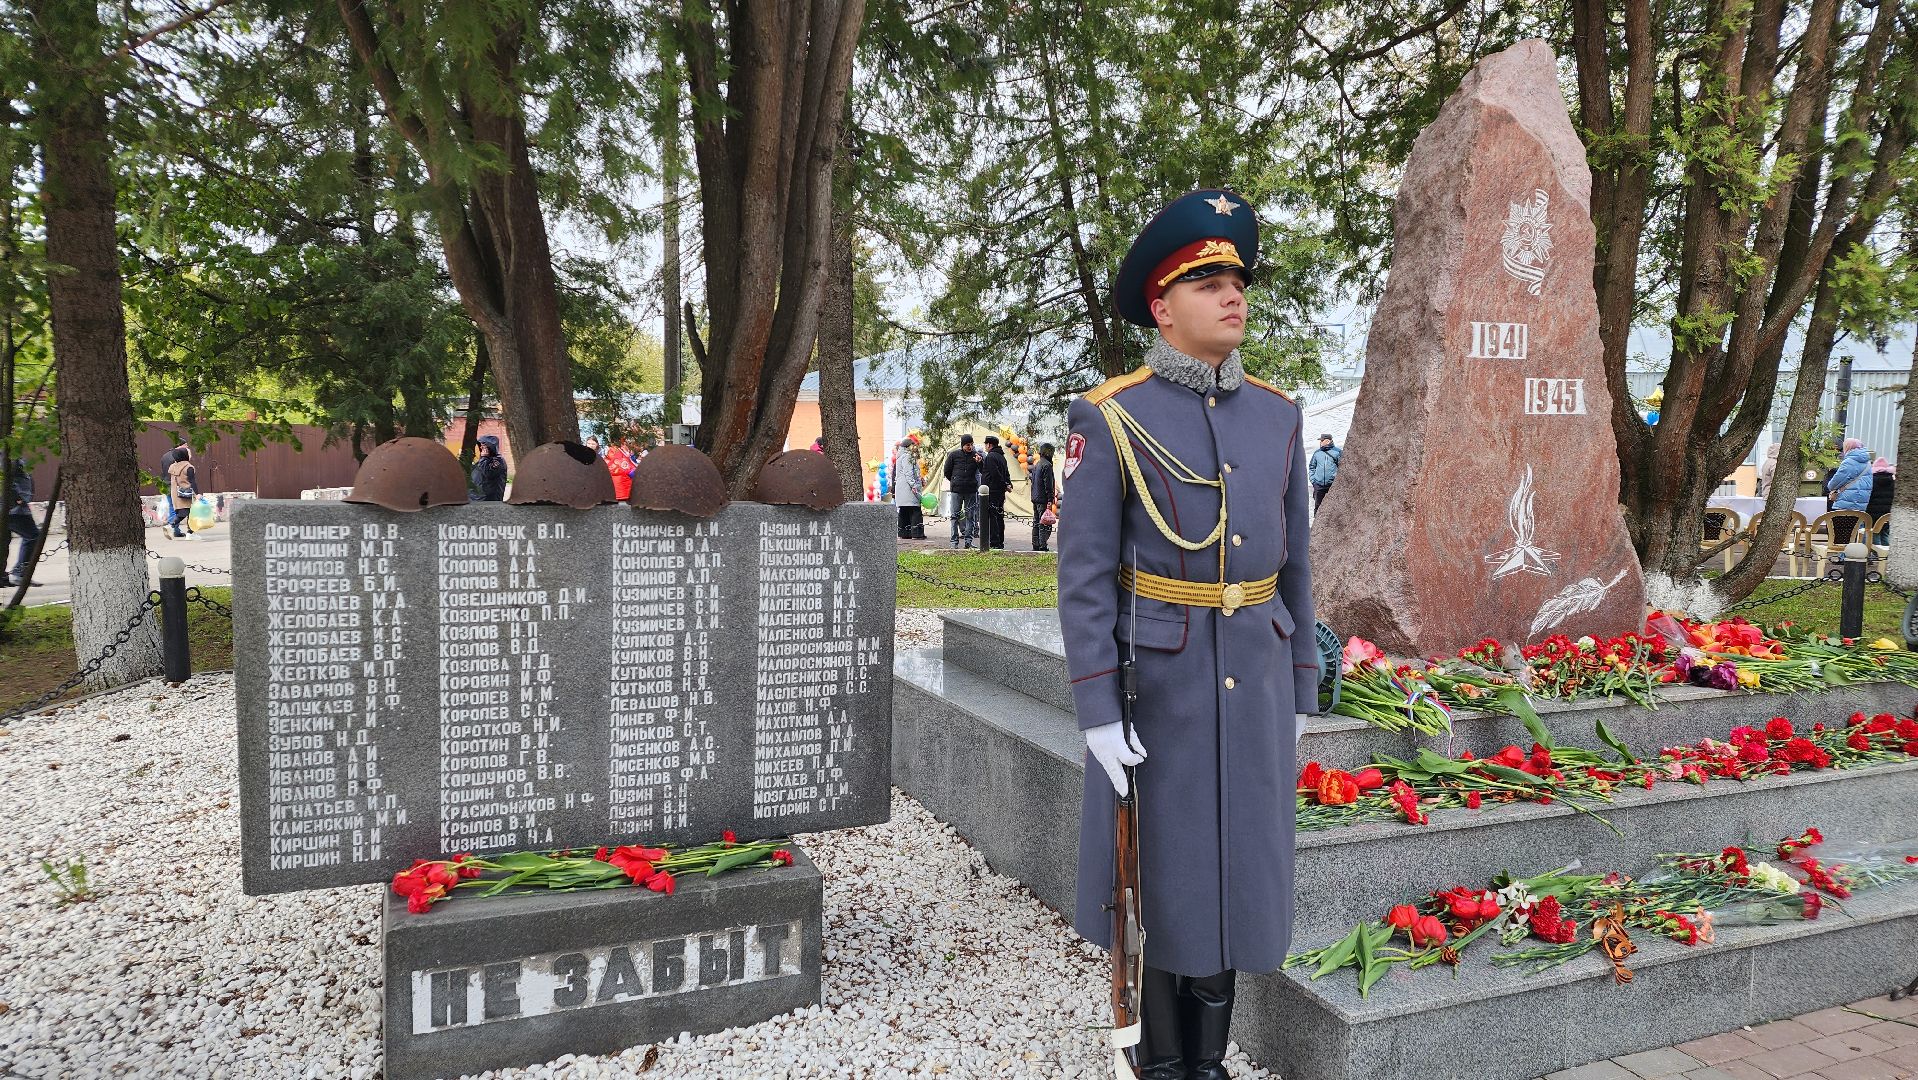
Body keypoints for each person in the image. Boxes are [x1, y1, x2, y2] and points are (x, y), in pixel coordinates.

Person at [1059, 188, 1313, 1079]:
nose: (1232, 292)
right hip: (1158, 686)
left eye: (1237, 276)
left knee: (1241, 878)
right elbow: (1084, 576)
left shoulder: (1279, 416)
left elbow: (1294, 566)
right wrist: (1095, 706)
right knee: (1165, 879)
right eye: (1207, 280)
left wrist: (1300, 684)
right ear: (1162, 308)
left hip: (1255, 674)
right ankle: (1166, 1067)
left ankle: (1208, 1065)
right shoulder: (1113, 415)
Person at [943, 434, 983, 548]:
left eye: (971, 444)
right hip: (957, 489)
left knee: (970, 516)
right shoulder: (954, 455)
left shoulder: (976, 456)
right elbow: (947, 471)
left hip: (971, 489)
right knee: (955, 516)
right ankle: (954, 542)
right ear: (962, 445)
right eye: (967, 445)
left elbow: (982, 470)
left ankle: (968, 542)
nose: (970, 447)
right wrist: (955, 480)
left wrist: (979, 462)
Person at [6, 458, 38, 586]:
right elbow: (5, 480)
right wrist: (17, 499)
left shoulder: (13, 454)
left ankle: (8, 576)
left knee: (4, 541)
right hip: (14, 509)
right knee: (32, 536)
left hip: (15, 507)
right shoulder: (6, 455)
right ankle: (19, 573)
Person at [1827, 438, 1874, 524]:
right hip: (1862, 504)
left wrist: (1830, 486)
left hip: (1845, 504)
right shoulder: (1868, 463)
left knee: (1842, 534)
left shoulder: (1849, 462)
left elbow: (1834, 484)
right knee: (1857, 532)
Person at [979, 434, 1010, 551]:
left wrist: (1004, 484)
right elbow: (1006, 473)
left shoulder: (991, 456)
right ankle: (1000, 541)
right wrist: (1007, 484)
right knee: (999, 517)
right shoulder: (1002, 457)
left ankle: (994, 542)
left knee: (993, 517)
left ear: (989, 445)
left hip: (992, 491)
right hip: (1000, 491)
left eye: (985, 444)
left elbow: (994, 474)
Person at [893, 434, 927, 539]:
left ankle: (904, 533)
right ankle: (917, 534)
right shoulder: (908, 456)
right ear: (909, 446)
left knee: (904, 510)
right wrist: (914, 485)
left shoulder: (900, 457)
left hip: (901, 487)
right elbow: (909, 473)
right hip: (908, 487)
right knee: (915, 510)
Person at [158, 439, 191, 535]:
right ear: (180, 446)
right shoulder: (178, 456)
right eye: (186, 445)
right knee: (180, 508)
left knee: (173, 507)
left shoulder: (165, 455)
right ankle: (174, 530)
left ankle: (174, 529)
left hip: (166, 484)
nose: (187, 448)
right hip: (177, 486)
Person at [1029, 442, 1057, 552]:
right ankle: (1042, 545)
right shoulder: (1047, 465)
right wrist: (1050, 499)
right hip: (1043, 498)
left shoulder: (1037, 464)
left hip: (1035, 497)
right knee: (1044, 523)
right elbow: (1048, 484)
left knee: (1036, 521)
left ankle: (1035, 544)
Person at [166, 449, 198, 539]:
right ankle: (172, 526)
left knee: (186, 513)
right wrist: (198, 494)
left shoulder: (173, 466)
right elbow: (192, 482)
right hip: (186, 493)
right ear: (185, 455)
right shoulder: (189, 467)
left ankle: (189, 533)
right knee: (188, 513)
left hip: (175, 493)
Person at [1308, 433, 1341, 511]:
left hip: (1332, 486)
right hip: (1318, 486)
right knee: (1318, 508)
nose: (1320, 442)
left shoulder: (1338, 452)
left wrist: (1336, 482)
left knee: (1333, 509)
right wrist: (1313, 481)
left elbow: (1342, 468)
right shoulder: (1317, 453)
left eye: (1322, 440)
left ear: (1327, 441)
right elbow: (1312, 467)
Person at [470, 435, 508, 501]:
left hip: (488, 500)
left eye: (484, 445)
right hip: (476, 499)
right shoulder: (483, 460)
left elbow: (488, 473)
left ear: (490, 447)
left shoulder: (498, 461)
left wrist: (484, 458)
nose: (481, 447)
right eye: (480, 445)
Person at [1867, 457, 1895, 544]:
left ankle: (1877, 555)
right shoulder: (1893, 482)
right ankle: (1886, 554)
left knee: (1875, 533)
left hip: (1873, 513)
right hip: (1888, 514)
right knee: (1885, 534)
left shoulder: (1871, 481)